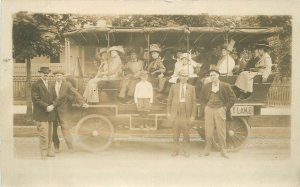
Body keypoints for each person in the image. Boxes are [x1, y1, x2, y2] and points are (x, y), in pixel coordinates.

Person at [199, 67, 237, 159]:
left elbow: (233, 98)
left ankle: (223, 151)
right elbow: (201, 99)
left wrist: (225, 108)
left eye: (214, 75)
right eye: (211, 75)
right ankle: (207, 150)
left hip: (220, 109)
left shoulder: (225, 85)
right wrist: (205, 108)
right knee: (208, 131)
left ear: (218, 75)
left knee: (221, 131)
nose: (212, 77)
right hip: (209, 109)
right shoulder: (206, 86)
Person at [51, 70, 89, 153]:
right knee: (53, 130)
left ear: (62, 77)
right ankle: (56, 147)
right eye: (57, 75)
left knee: (65, 128)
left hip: (64, 110)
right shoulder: (51, 85)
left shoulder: (67, 84)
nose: (58, 77)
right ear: (54, 77)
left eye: (60, 75)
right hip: (53, 110)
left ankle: (70, 147)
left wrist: (82, 103)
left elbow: (75, 93)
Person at [167, 71, 197, 157]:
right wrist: (169, 113)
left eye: (185, 76)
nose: (184, 78)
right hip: (176, 112)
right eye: (182, 76)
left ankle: (186, 151)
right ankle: (175, 151)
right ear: (179, 77)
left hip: (186, 112)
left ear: (188, 78)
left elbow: (194, 102)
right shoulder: (174, 86)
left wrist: (192, 116)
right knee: (175, 133)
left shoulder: (191, 88)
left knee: (186, 133)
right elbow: (169, 100)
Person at [31, 67, 56, 160]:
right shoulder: (35, 85)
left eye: (47, 73)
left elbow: (56, 97)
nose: (46, 75)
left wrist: (53, 105)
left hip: (50, 113)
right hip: (41, 113)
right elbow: (35, 100)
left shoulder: (51, 84)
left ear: (49, 74)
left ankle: (49, 151)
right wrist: (46, 106)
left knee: (50, 134)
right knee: (43, 135)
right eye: (43, 73)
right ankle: (43, 153)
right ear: (40, 74)